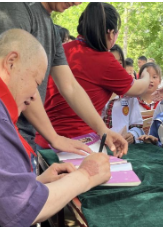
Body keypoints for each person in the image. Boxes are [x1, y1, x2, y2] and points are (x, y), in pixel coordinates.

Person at [0, 29, 111, 227]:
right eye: (36, 83)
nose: (32, 98)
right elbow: (22, 209)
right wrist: (87, 174)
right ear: (11, 62)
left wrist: (35, 184)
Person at [0, 2, 129, 170]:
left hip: (22, 140)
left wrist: (102, 130)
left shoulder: (50, 27)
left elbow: (69, 86)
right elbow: (15, 80)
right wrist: (54, 138)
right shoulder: (15, 8)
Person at [35, 2, 150, 149]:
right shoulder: (104, 60)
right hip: (79, 144)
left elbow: (67, 88)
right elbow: (138, 89)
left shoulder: (62, 49)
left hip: (43, 138)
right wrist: (146, 74)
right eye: (116, 33)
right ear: (110, 33)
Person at [103, 44, 144, 144]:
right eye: (111, 61)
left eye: (120, 63)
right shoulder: (93, 93)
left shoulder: (130, 96)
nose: (116, 67)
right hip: (96, 148)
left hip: (123, 149)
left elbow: (137, 126)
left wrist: (132, 135)